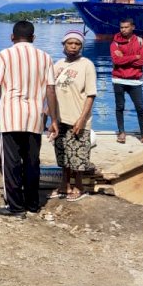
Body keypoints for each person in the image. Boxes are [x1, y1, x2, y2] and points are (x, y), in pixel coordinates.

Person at [0, 20, 58, 217]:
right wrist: (54, 120)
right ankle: (32, 204)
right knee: (32, 162)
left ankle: (15, 207)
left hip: (10, 118)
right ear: (33, 38)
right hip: (35, 118)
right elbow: (50, 89)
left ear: (12, 37)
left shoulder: (4, 55)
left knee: (11, 163)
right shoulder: (45, 57)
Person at [50, 30, 97, 202]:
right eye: (70, 43)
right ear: (64, 45)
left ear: (81, 46)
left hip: (78, 118)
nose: (73, 47)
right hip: (60, 119)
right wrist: (51, 118)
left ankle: (79, 186)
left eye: (77, 44)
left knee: (78, 156)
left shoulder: (87, 65)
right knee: (63, 155)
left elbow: (91, 94)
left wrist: (82, 118)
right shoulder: (58, 65)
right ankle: (64, 184)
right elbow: (51, 93)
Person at [111, 18, 143, 146]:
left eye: (126, 27)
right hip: (118, 79)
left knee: (140, 107)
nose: (123, 30)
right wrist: (135, 57)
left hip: (135, 81)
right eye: (121, 27)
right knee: (120, 107)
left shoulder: (141, 42)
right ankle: (122, 132)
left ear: (133, 27)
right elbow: (116, 61)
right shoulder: (115, 43)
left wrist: (123, 58)